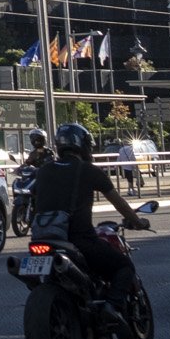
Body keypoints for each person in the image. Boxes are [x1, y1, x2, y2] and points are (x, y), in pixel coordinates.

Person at [30, 123, 148, 306]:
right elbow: (119, 203)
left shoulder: (44, 171)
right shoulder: (89, 170)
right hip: (80, 241)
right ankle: (111, 307)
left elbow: (34, 197)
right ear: (83, 145)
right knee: (124, 266)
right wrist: (138, 221)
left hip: (42, 239)